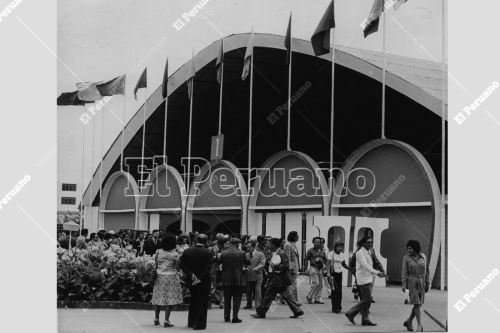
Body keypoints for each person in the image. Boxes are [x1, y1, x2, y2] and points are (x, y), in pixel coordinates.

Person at [251, 238, 303, 319]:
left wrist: (275, 266)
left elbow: (286, 265)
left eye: (270, 243)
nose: (268, 244)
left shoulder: (281, 253)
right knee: (287, 296)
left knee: (268, 296)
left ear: (274, 245)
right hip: (279, 279)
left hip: (278, 279)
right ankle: (297, 310)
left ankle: (261, 313)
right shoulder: (275, 252)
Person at [345, 237, 385, 326]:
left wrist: (381, 271)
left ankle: (365, 319)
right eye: (368, 242)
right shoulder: (359, 253)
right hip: (362, 279)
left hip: (368, 278)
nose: (370, 244)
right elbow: (365, 266)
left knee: (366, 300)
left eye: (371, 242)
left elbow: (375, 261)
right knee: (367, 299)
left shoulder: (369, 251)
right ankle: (350, 313)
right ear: (363, 243)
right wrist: (377, 272)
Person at [180, 234, 213, 330]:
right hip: (204, 280)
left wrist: (191, 275)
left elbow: (182, 264)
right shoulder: (208, 252)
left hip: (191, 279)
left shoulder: (187, 251)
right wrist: (200, 278)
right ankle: (200, 324)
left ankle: (191, 321)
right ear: (206, 242)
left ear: (196, 240)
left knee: (193, 299)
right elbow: (208, 268)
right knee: (203, 302)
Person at [151, 234, 183, 327]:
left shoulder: (158, 252)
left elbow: (156, 264)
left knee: (158, 296)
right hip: (171, 277)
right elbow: (177, 266)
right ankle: (166, 320)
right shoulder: (175, 254)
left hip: (160, 276)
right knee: (169, 298)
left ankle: (156, 318)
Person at [402, 240, 429, 332]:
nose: (408, 250)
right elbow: (404, 272)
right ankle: (420, 326)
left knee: (419, 304)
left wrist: (428, 283)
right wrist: (404, 285)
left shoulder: (423, 257)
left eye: (410, 249)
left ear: (415, 248)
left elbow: (427, 271)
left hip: (422, 281)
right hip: (412, 282)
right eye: (407, 249)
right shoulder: (406, 258)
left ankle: (409, 321)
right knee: (416, 304)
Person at [220, 238, 247, 323]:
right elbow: (247, 262)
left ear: (230, 243)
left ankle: (226, 317)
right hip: (237, 279)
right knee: (237, 299)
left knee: (227, 299)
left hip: (226, 278)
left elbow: (219, 262)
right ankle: (235, 317)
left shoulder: (223, 253)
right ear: (238, 244)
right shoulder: (242, 253)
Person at [326, 241, 349, 313]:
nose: (340, 248)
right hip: (333, 273)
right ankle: (334, 307)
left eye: (341, 247)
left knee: (339, 291)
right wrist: (328, 273)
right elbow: (328, 263)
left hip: (339, 273)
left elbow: (344, 264)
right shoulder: (331, 254)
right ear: (335, 247)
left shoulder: (342, 255)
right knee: (334, 290)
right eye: (338, 247)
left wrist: (350, 268)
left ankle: (339, 307)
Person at [243, 241, 266, 309]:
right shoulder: (246, 255)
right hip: (249, 275)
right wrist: (244, 267)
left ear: (254, 247)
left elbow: (262, 263)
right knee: (248, 290)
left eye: (249, 247)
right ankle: (249, 304)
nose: (248, 249)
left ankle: (258, 305)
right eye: (247, 248)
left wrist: (256, 268)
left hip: (257, 275)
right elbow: (245, 264)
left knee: (257, 290)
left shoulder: (261, 254)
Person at [305, 237, 327, 304]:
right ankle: (309, 296)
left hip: (320, 268)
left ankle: (317, 298)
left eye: (319, 242)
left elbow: (325, 260)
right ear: (313, 242)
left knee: (320, 284)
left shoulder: (322, 251)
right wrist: (306, 269)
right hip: (313, 268)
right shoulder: (310, 250)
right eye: (316, 242)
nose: (317, 243)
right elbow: (306, 259)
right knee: (316, 283)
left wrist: (325, 268)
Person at [283, 231, 300, 304]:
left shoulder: (294, 245)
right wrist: (290, 268)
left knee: (291, 284)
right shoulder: (288, 245)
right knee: (292, 284)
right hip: (291, 268)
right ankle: (294, 300)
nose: (298, 237)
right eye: (297, 235)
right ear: (293, 237)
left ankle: (287, 298)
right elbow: (287, 257)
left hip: (294, 268)